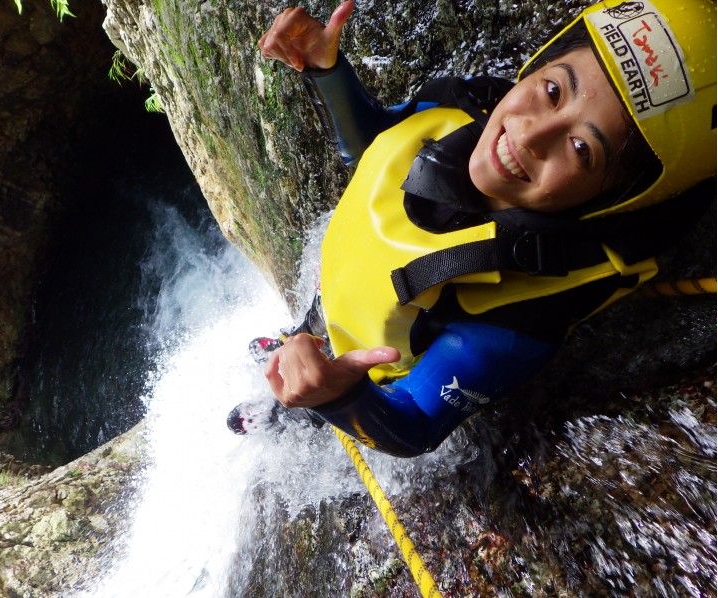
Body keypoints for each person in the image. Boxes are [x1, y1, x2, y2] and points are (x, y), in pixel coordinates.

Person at [232, 0, 715, 456]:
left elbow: (412, 423)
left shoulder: (523, 313)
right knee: (318, 321)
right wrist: (329, 73)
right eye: (554, 90)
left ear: (618, 198)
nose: (529, 134)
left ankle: (288, 414)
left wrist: (336, 397)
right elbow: (378, 149)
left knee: (315, 386)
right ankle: (298, 339)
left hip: (374, 369)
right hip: (344, 293)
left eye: (582, 149)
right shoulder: (466, 109)